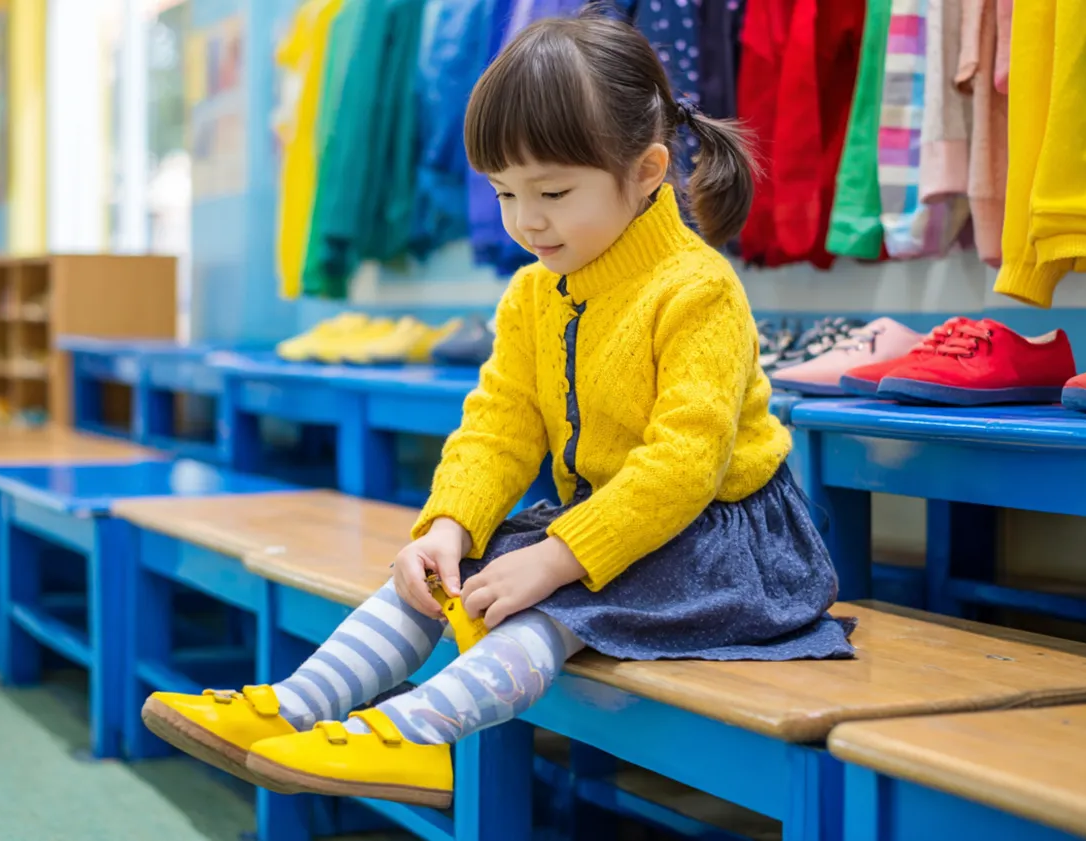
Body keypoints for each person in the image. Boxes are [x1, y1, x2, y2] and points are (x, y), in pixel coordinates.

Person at [141, 8, 853, 809]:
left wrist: (555, 557)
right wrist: (448, 525)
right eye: (504, 193)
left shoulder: (698, 288)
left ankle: (417, 737)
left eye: (552, 192)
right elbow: (500, 425)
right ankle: (297, 704)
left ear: (649, 169)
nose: (526, 221)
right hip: (613, 524)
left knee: (546, 604)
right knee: (438, 579)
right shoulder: (532, 295)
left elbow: (684, 465)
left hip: (725, 546)